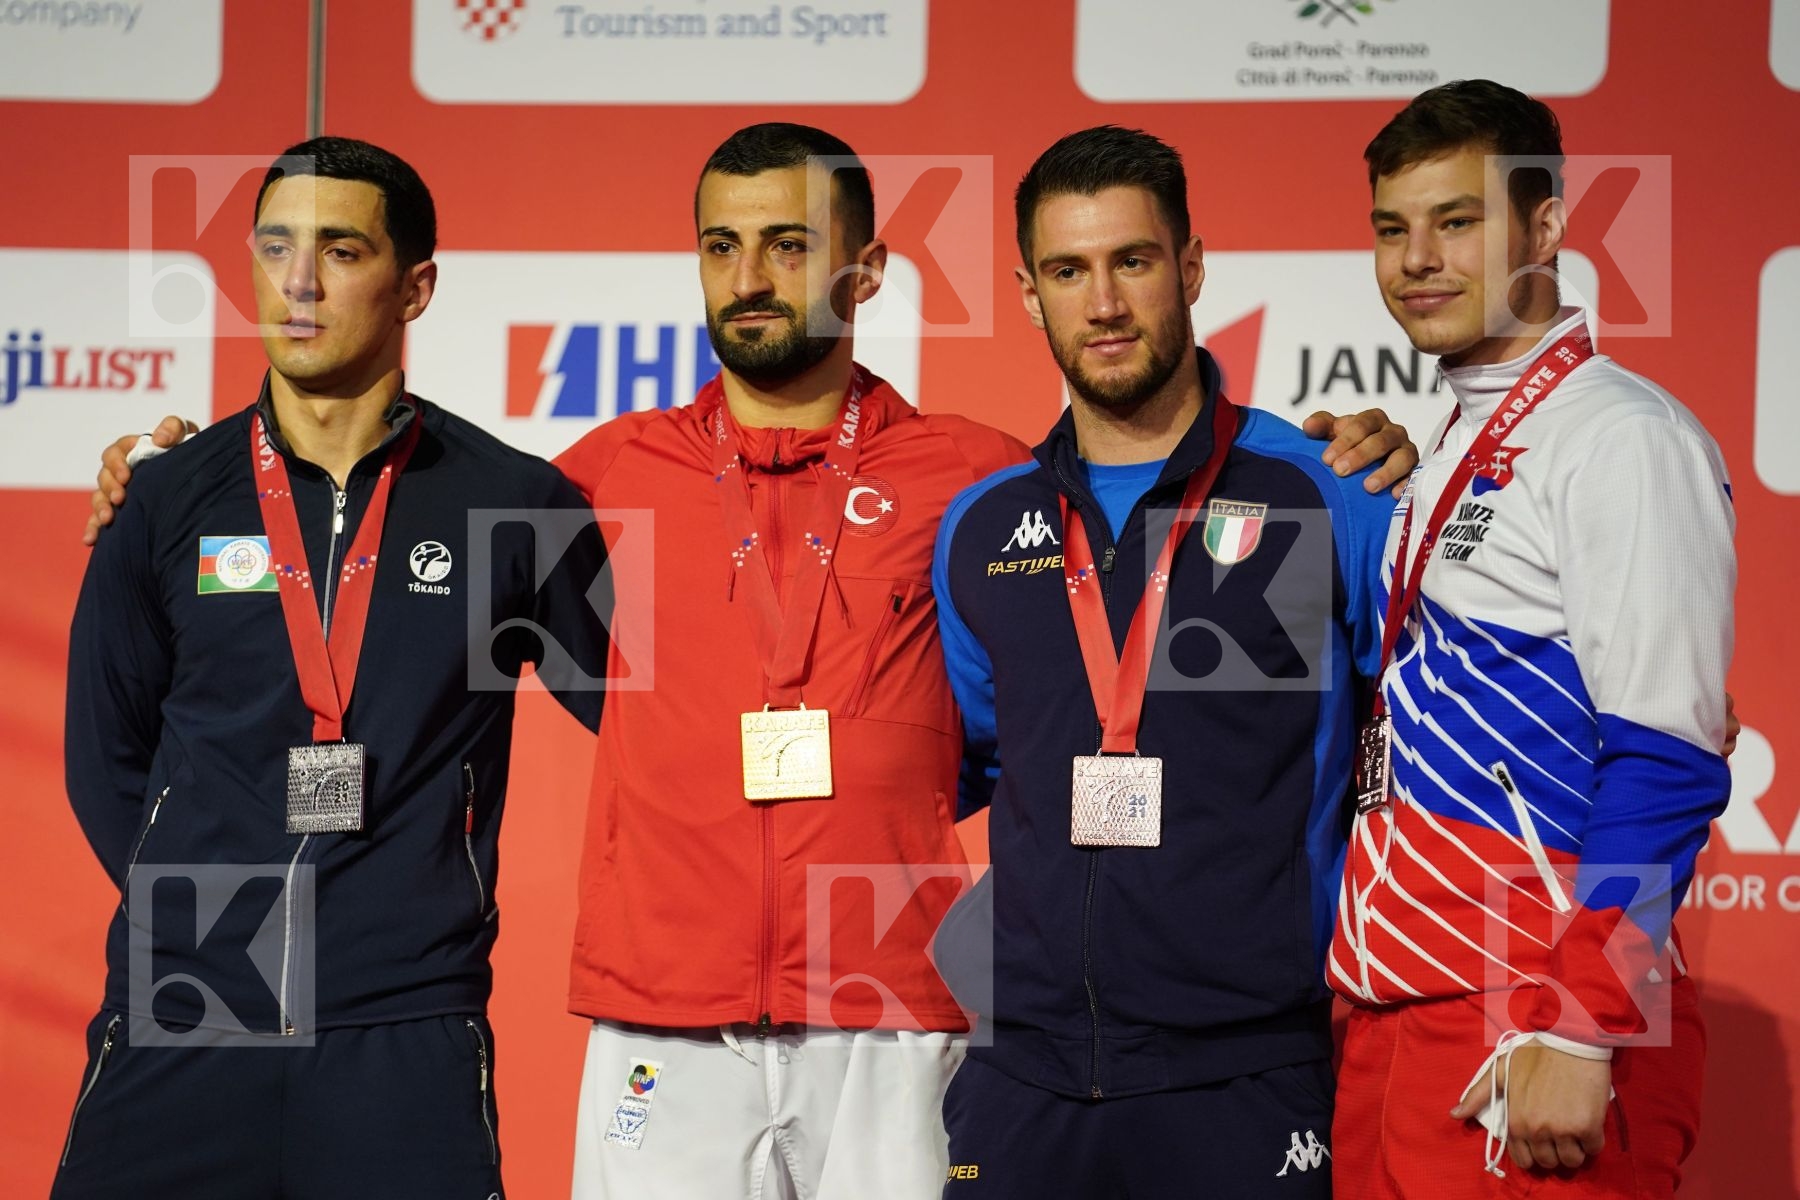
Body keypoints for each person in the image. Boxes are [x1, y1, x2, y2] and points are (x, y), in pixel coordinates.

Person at [82, 123, 1414, 1198]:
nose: (752, 276)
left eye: (789, 243)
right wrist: (170, 483)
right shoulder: (584, 485)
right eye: (723, 246)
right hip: (662, 1019)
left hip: (893, 1016)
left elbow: (1049, 673)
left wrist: (1338, 448)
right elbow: (379, 539)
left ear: (867, 269)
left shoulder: (984, 485)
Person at [54, 137, 606, 1199]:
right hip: (187, 1009)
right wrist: (210, 927)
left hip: (404, 1014)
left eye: (340, 250)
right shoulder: (165, 501)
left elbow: (649, 720)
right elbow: (103, 757)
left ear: (416, 286)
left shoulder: (512, 503)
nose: (298, 283)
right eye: (274, 247)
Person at [930, 125, 1413, 1197]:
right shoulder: (982, 525)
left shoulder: (1323, 491)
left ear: (1191, 267)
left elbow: (1433, 742)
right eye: (1068, 270)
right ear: (1027, 292)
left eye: (1133, 262)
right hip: (1023, 1078)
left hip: (1249, 1072)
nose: (1103, 303)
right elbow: (958, 765)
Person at [1326, 80, 1735, 1199]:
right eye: (1391, 229)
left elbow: (1670, 752)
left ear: (1546, 227)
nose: (1418, 258)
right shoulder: (1443, 450)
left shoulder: (1623, 438)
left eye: (1457, 222)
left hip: (1531, 1019)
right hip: (1394, 1019)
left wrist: (1589, 1024)